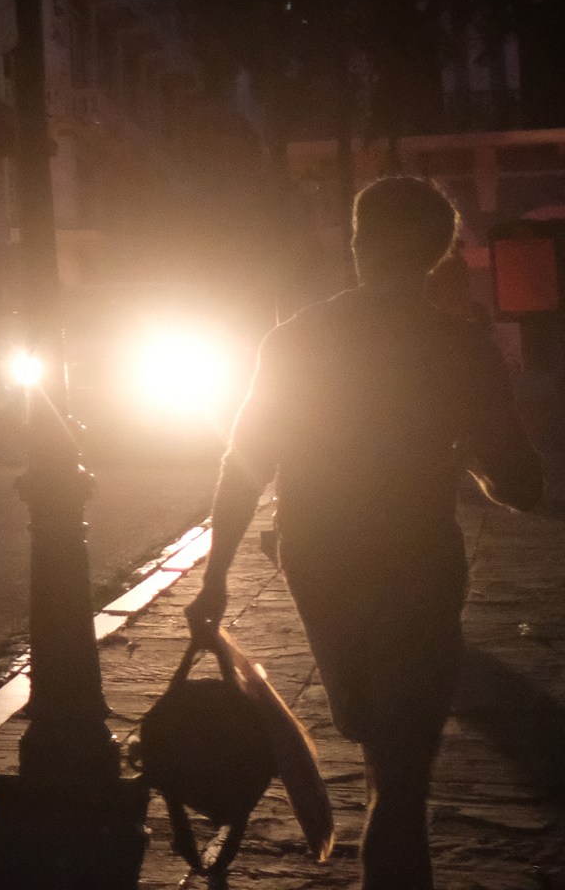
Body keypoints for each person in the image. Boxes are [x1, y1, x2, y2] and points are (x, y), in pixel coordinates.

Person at [187, 176, 543, 889]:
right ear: (439, 254)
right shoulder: (458, 350)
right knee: (401, 775)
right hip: (417, 563)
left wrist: (216, 576)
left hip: (319, 563)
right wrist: (471, 455)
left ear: (358, 245)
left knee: (377, 738)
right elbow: (518, 485)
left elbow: (246, 462)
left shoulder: (297, 338)